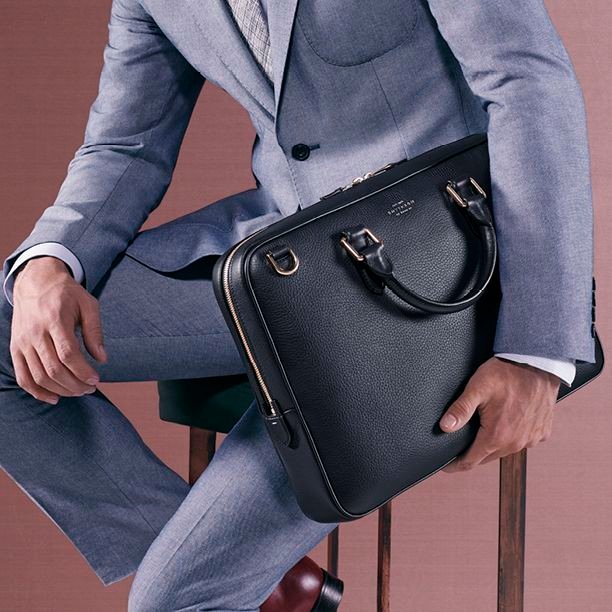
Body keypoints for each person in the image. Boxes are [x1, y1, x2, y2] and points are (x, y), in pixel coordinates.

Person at [0, 0, 596, 610]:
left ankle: (212, 582)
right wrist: (49, 262)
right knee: (9, 326)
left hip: (427, 268)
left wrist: (537, 350)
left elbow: (528, 80)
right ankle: (253, 580)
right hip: (280, 254)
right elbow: (127, 143)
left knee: (173, 603)